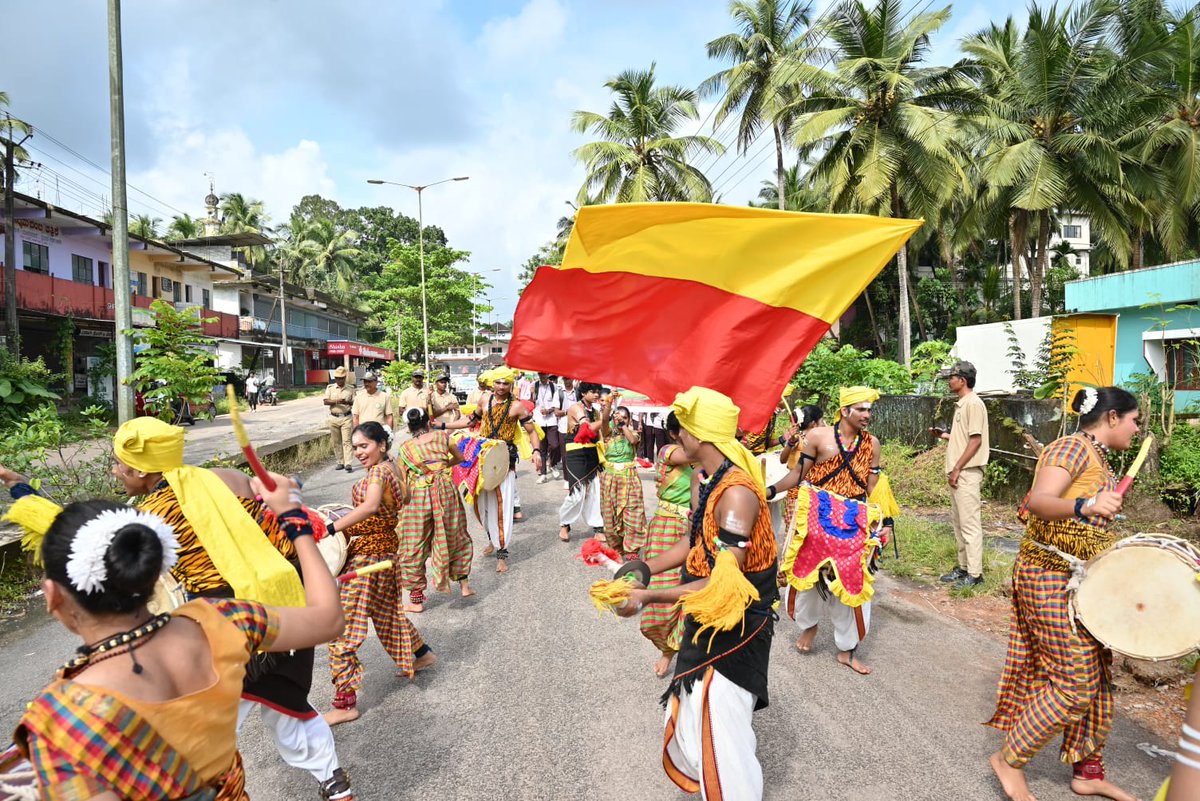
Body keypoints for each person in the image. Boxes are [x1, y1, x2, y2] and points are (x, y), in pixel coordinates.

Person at [3, 415, 354, 800]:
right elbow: (279, 507)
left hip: (227, 612)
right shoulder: (227, 477)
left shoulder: (148, 518)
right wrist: (296, 520)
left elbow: (80, 539)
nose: (116, 472)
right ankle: (333, 783)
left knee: (207, 716)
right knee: (287, 704)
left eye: (118, 464)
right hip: (285, 603)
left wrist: (22, 491)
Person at [615, 386, 778, 801]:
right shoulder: (711, 480)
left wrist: (647, 598)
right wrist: (646, 569)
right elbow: (697, 546)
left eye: (682, 429)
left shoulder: (736, 494)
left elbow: (723, 583)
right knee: (694, 717)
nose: (677, 437)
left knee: (721, 733)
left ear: (699, 435)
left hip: (737, 626)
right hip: (710, 618)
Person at [986, 387, 1142, 801]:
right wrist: (1086, 506)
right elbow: (1038, 502)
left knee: (1097, 673)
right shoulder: (1071, 448)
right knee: (1074, 683)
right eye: (1134, 419)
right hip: (1047, 575)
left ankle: (1088, 772)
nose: (1137, 428)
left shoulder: (1097, 456)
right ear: (1112, 417)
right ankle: (1009, 759)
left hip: (1079, 580)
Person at [767, 387, 893, 676]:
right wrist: (771, 489)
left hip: (854, 519)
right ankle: (809, 627)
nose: (867, 415)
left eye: (869, 410)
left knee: (855, 582)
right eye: (862, 409)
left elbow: (873, 487)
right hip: (816, 513)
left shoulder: (872, 444)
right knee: (807, 576)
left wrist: (885, 521)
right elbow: (798, 475)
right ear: (845, 410)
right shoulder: (817, 437)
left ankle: (847, 649)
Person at [321, 421, 436, 725]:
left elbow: (371, 506)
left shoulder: (377, 473)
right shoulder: (394, 469)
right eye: (356, 447)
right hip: (386, 552)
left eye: (364, 446)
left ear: (381, 444)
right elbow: (405, 499)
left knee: (342, 628)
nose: (359, 452)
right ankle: (422, 653)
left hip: (368, 558)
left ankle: (345, 703)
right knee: (386, 614)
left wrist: (330, 527)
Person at [449, 367, 542, 573]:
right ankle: (493, 539)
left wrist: (536, 451)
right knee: (481, 506)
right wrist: (444, 426)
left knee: (501, 507)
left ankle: (502, 553)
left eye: (505, 383)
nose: (501, 387)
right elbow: (470, 421)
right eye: (498, 383)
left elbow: (532, 431)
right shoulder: (484, 400)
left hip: (504, 459)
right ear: (493, 384)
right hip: (481, 458)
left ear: (511, 385)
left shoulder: (517, 407)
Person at [395, 407, 473, 612]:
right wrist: (441, 465)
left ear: (409, 427)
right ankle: (464, 586)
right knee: (454, 534)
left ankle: (416, 600)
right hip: (445, 490)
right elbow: (460, 457)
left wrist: (400, 507)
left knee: (413, 544)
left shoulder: (405, 448)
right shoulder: (442, 437)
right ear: (428, 422)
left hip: (419, 496)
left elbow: (402, 480)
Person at [638, 411, 692, 679]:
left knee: (693, 591)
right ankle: (668, 648)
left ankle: (683, 650)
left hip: (697, 529)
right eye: (687, 429)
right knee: (663, 594)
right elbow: (692, 455)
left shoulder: (708, 457)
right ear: (673, 433)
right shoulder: (670, 450)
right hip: (667, 528)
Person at [932, 360, 990, 588]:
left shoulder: (973, 404)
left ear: (962, 380)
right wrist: (945, 436)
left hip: (966, 472)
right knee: (959, 523)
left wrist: (957, 468)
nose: (949, 381)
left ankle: (975, 575)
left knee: (970, 524)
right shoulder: (962, 404)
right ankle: (964, 568)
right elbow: (965, 437)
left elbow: (976, 441)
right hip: (959, 472)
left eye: (952, 377)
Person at [557, 382, 607, 543]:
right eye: (593, 391)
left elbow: (602, 433)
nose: (597, 394)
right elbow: (587, 428)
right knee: (577, 493)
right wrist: (607, 416)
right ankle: (565, 523)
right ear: (583, 393)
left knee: (594, 491)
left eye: (598, 391)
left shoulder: (597, 411)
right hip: (576, 453)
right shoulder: (575, 408)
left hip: (592, 453)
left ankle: (598, 527)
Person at [600, 403, 647, 560]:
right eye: (618, 417)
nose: (621, 420)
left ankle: (632, 549)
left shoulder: (633, 433)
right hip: (610, 480)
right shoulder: (607, 434)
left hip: (629, 478)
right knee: (610, 515)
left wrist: (622, 424)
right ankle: (617, 547)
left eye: (625, 417)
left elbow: (633, 441)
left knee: (633, 513)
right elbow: (605, 420)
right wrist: (608, 406)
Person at [776, 404, 825, 539]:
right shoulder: (798, 439)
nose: (825, 424)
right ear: (814, 424)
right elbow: (782, 459)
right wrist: (790, 443)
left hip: (814, 491)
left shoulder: (820, 441)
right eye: (822, 421)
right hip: (796, 491)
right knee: (794, 531)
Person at [533, 372, 564, 483]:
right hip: (539, 420)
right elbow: (532, 401)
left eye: (544, 375)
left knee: (555, 445)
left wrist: (549, 410)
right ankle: (543, 474)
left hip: (551, 420)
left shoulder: (554, 387)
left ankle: (553, 463)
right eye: (540, 375)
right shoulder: (535, 386)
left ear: (548, 375)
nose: (542, 377)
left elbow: (557, 405)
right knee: (542, 447)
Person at [324, 366, 355, 472]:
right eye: (337, 378)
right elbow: (325, 401)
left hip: (346, 417)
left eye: (341, 378)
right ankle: (340, 462)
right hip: (333, 417)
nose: (339, 380)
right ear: (335, 378)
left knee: (347, 441)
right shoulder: (330, 388)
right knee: (336, 441)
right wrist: (337, 401)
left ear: (345, 378)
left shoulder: (350, 388)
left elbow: (354, 402)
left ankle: (348, 463)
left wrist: (347, 402)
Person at [556, 377, 580, 470]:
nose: (567, 381)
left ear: (572, 379)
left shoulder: (578, 392)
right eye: (565, 379)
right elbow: (556, 412)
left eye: (569, 379)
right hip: (563, 427)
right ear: (563, 380)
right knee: (565, 454)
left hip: (577, 427)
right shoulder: (558, 393)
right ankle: (566, 479)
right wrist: (568, 412)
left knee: (576, 452)